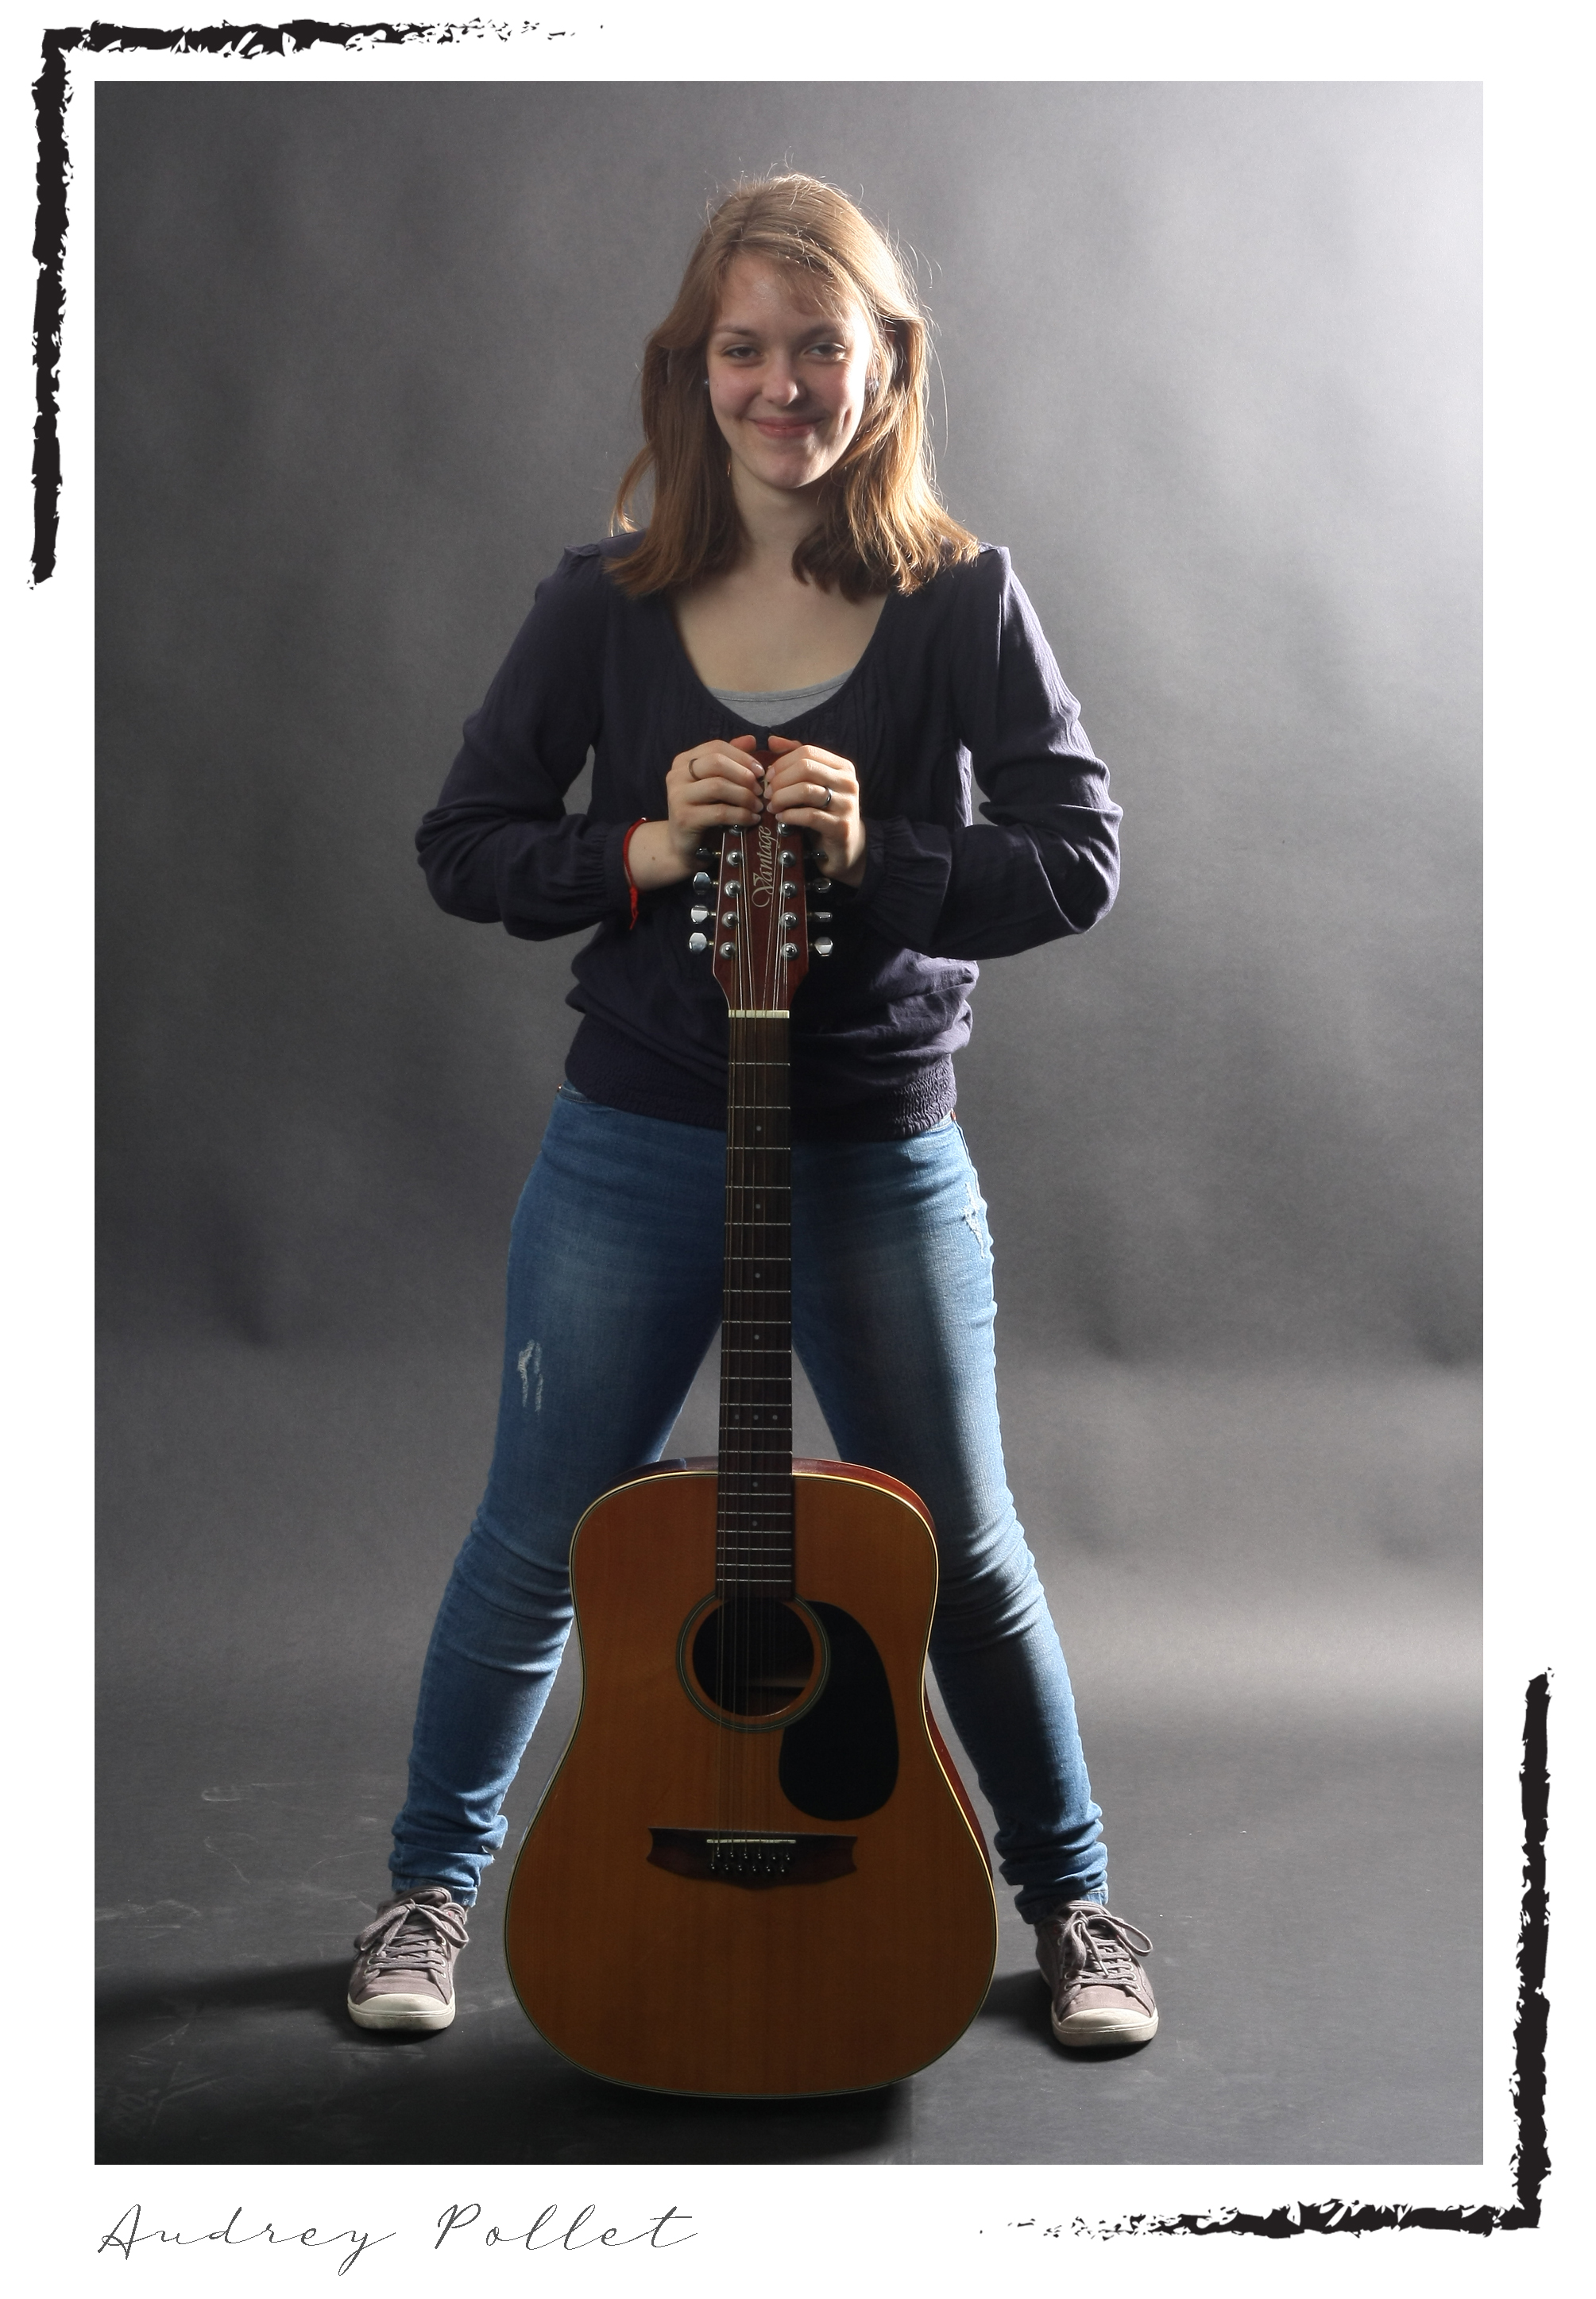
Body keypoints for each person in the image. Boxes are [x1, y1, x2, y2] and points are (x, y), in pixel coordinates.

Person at [346, 173, 1157, 2062]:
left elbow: (1081, 859)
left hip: (872, 1138)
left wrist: (888, 852)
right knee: (538, 1540)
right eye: (744, 348)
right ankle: (428, 1889)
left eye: (820, 346)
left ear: (885, 366)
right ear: (690, 370)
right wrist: (638, 842)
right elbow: (463, 844)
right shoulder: (606, 601)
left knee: (955, 1545)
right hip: (636, 1136)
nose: (781, 383)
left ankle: (1077, 1902)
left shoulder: (961, 595)